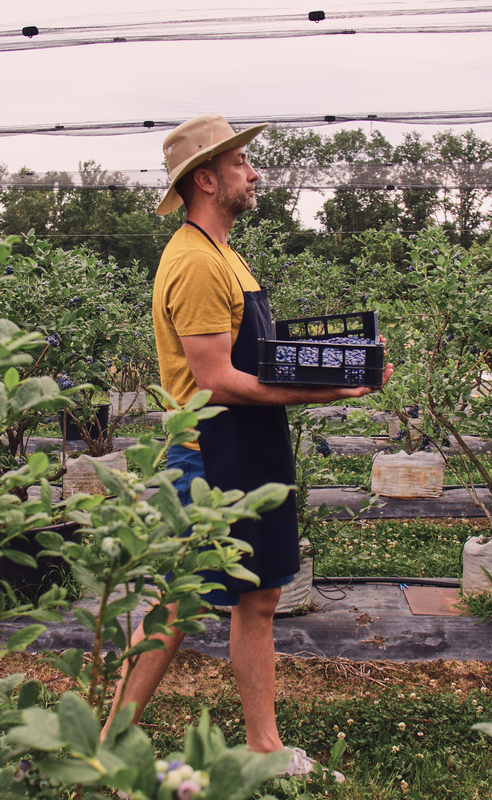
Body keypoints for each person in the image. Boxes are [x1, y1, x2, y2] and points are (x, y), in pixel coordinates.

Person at [101, 114, 392, 780]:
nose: (253, 172)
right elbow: (218, 379)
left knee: (257, 594)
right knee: (179, 599)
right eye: (239, 164)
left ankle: (262, 748)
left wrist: (334, 363)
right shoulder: (197, 262)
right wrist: (329, 394)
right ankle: (109, 745)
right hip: (212, 447)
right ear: (206, 178)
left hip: (246, 442)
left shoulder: (222, 251)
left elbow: (258, 355)